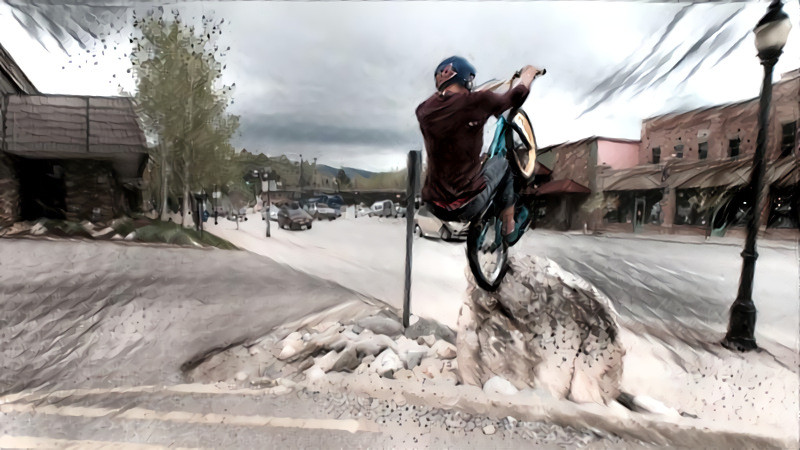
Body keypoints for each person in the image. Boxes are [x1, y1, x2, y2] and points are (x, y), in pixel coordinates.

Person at [416, 56, 541, 237]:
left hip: (434, 206)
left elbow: (455, 106)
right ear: (466, 78)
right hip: (468, 205)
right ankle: (509, 224)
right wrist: (528, 75)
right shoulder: (478, 102)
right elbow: (515, 96)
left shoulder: (423, 111)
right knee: (502, 164)